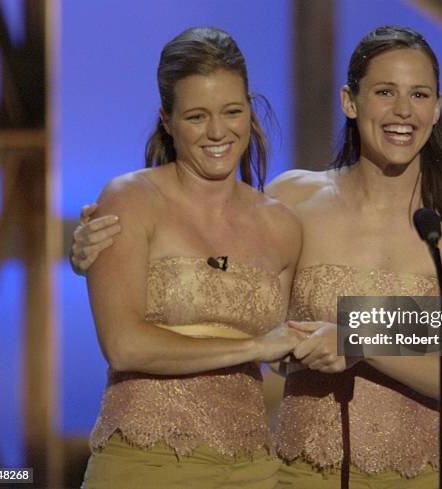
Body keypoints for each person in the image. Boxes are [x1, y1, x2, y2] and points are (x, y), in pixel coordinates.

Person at [72, 26, 442, 489]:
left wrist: (359, 338)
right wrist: (97, 255)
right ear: (349, 101)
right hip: (297, 474)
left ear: (437, 107)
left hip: (426, 474)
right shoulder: (291, 200)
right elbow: (231, 291)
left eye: (419, 94)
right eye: (385, 92)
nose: (403, 110)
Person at [78, 27, 304, 489]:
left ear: (250, 110)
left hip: (254, 468)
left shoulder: (281, 224)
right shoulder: (131, 199)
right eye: (197, 116)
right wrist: (253, 349)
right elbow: (124, 345)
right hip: (146, 463)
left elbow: (283, 363)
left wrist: (340, 342)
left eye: (232, 112)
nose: (218, 132)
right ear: (167, 119)